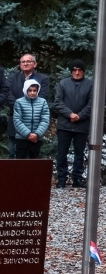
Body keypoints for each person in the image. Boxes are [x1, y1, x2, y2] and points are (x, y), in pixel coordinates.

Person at [53, 60, 93, 188]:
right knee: (61, 154)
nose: (77, 72)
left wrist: (80, 116)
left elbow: (92, 103)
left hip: (81, 125)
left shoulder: (90, 84)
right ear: (71, 71)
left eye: (79, 70)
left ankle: (77, 179)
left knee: (79, 154)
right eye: (75, 70)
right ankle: (61, 179)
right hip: (65, 125)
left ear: (83, 71)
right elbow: (58, 102)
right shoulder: (63, 83)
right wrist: (70, 114)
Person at [5, 54, 50, 159]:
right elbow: (7, 94)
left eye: (28, 61)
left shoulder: (43, 79)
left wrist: (36, 133)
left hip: (36, 124)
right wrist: (19, 106)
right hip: (16, 120)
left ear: (35, 64)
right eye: (23, 62)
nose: (25, 64)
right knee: (13, 153)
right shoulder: (12, 78)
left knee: (33, 158)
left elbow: (43, 96)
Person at [12, 79, 50, 160]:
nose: (32, 93)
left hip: (37, 138)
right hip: (22, 138)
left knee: (34, 163)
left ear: (37, 91)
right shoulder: (19, 102)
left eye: (34, 90)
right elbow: (17, 120)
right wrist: (28, 134)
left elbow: (45, 120)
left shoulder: (43, 102)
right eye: (30, 90)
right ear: (26, 90)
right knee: (20, 163)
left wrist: (37, 134)